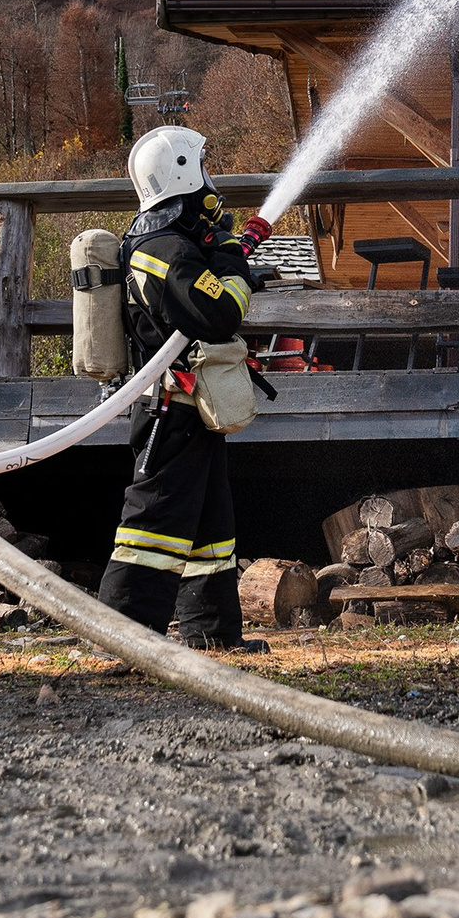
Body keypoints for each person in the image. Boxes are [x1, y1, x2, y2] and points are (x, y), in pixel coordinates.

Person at [97, 125, 273, 649]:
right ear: (183, 174)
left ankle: (212, 633)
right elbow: (220, 313)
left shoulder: (170, 243)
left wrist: (219, 249)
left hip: (191, 404)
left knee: (210, 525)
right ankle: (123, 634)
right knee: (153, 521)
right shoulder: (165, 250)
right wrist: (234, 260)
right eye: (203, 167)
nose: (210, 180)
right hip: (170, 409)